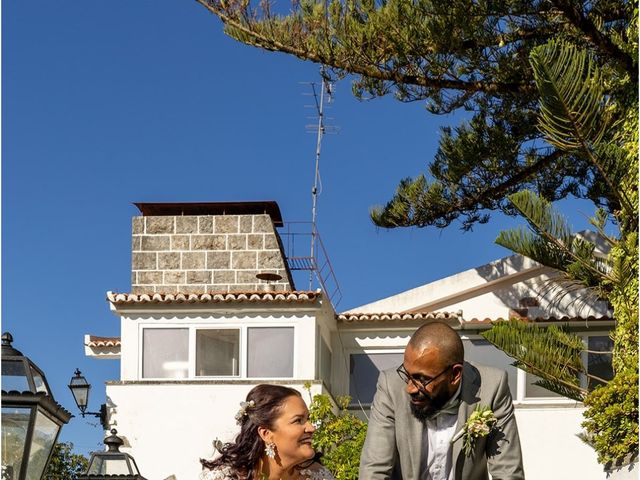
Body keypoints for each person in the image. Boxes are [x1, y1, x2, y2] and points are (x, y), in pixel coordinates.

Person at [359, 322, 524, 480]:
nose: (410, 388)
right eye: (407, 375)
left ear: (455, 375)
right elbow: (374, 470)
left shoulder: (493, 387)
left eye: (422, 379)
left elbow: (507, 472)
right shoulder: (390, 386)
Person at [200, 384, 335, 480]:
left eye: (308, 419)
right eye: (298, 420)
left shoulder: (319, 475)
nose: (311, 428)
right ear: (266, 434)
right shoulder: (224, 477)